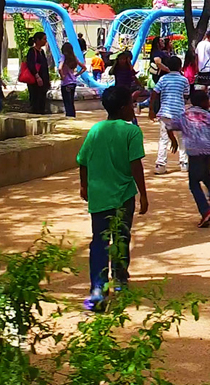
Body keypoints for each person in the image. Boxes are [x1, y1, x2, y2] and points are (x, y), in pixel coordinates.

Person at [77, 85, 148, 311]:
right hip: (124, 195)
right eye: (131, 104)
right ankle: (120, 281)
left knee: (99, 241)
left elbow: (83, 160)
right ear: (125, 108)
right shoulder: (132, 132)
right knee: (121, 237)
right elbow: (135, 165)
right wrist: (143, 194)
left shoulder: (96, 130)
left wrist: (84, 186)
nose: (134, 108)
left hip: (99, 196)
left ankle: (98, 288)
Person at [166, 89, 210, 227]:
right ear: (204, 103)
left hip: (195, 150)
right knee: (205, 174)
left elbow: (169, 126)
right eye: (208, 100)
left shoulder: (184, 116)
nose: (209, 102)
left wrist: (173, 140)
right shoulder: (209, 117)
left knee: (193, 182)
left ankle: (205, 211)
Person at [152, 55, 190, 175]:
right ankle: (184, 163)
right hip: (179, 112)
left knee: (163, 139)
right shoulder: (184, 80)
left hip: (165, 112)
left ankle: (160, 164)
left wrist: (151, 109)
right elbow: (186, 94)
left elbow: (154, 92)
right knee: (182, 138)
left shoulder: (163, 79)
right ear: (180, 67)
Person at [25, 32, 50, 114]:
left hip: (43, 79)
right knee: (35, 99)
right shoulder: (32, 51)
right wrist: (37, 76)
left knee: (42, 99)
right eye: (44, 39)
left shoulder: (42, 51)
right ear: (38, 40)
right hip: (35, 81)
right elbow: (31, 65)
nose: (45, 41)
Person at [58, 42, 85, 118]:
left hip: (66, 82)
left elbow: (60, 68)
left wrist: (62, 76)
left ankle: (69, 116)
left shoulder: (63, 57)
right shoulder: (74, 57)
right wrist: (76, 75)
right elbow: (84, 67)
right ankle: (73, 116)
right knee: (71, 101)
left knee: (67, 102)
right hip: (73, 82)